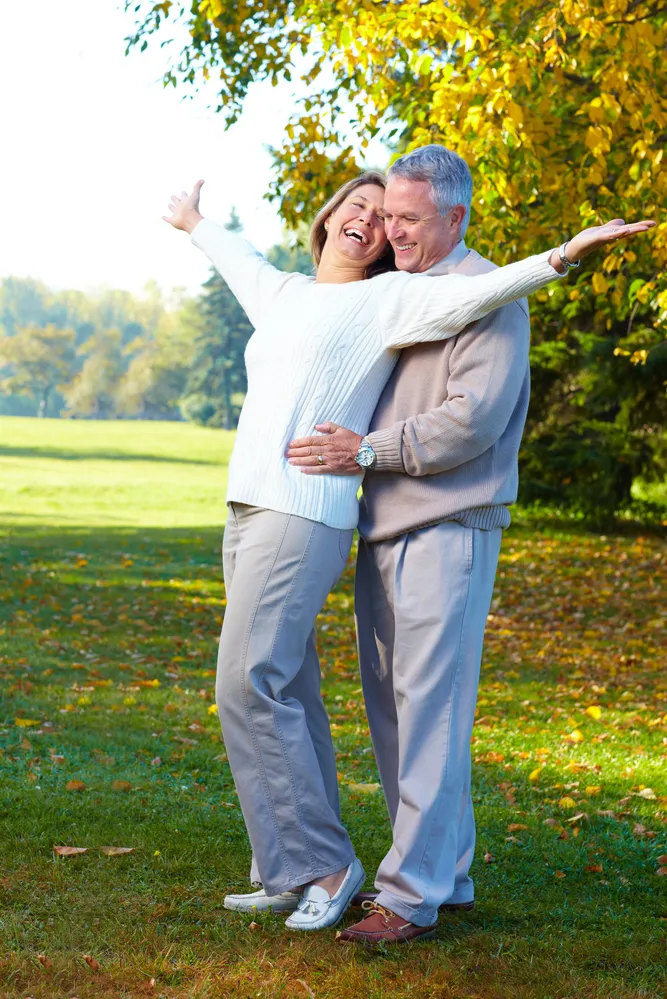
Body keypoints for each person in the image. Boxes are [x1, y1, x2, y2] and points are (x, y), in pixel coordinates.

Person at [163, 173, 653, 934]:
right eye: (363, 209)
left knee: (249, 683)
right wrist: (195, 220)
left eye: (388, 214)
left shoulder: (387, 299)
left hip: (313, 509)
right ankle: (291, 867)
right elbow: (240, 260)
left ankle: (328, 864)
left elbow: (475, 302)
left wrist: (561, 255)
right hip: (257, 507)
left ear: (442, 219)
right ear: (326, 218)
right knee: (290, 685)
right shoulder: (286, 294)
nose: (375, 223)